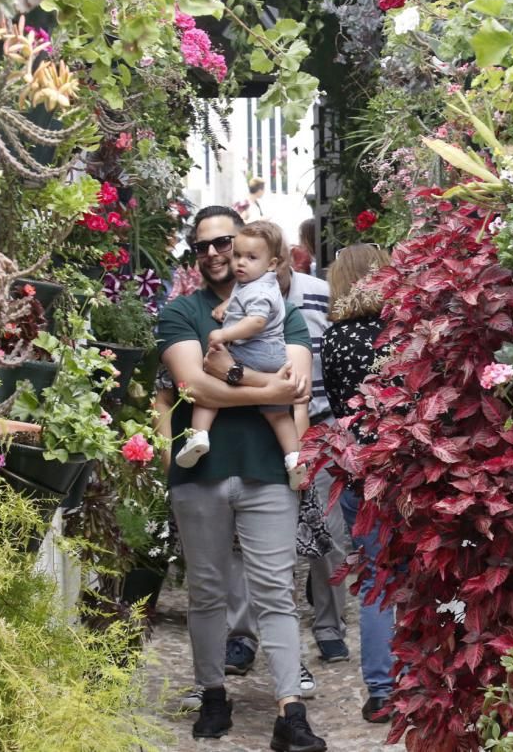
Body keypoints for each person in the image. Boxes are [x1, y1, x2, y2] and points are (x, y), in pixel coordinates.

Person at [156, 205, 327, 750]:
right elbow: (193, 387)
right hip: (199, 471)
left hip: (266, 471)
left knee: (275, 592)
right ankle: (212, 694)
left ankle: (290, 712)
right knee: (205, 592)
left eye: (222, 242)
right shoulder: (180, 312)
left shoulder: (281, 308)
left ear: (243, 243)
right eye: (200, 246)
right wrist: (264, 389)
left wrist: (231, 376)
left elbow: (296, 385)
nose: (212, 253)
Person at [221, 241, 352, 696]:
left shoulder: (315, 293)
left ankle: (329, 628)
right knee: (252, 546)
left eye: (254, 257)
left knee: (325, 533)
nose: (242, 264)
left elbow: (328, 354)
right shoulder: (237, 298)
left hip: (316, 422)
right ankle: (245, 637)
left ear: (278, 260)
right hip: (261, 418)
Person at [321, 243, 396, 724]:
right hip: (405, 465)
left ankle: (381, 690)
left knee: (375, 581)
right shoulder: (402, 334)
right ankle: (422, 680)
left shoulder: (333, 339)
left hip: (356, 471)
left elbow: (337, 402)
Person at [175, 220, 307, 492]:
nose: (239, 263)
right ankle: (294, 459)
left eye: (249, 257)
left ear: (271, 264)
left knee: (211, 383)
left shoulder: (259, 291)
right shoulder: (257, 285)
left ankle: (199, 435)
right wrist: (273, 390)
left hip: (252, 350)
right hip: (272, 359)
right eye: (237, 255)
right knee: (278, 414)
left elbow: (256, 321)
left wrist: (224, 336)